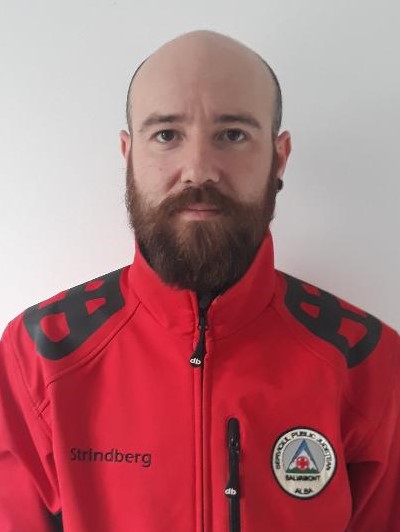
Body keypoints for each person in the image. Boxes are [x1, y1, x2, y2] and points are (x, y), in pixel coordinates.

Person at [0, 29, 399, 532]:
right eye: (167, 134)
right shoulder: (39, 355)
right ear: (128, 154)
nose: (198, 170)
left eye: (232, 135)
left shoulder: (368, 361)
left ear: (279, 156)